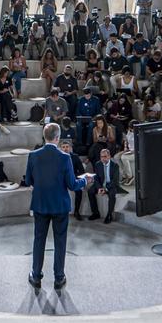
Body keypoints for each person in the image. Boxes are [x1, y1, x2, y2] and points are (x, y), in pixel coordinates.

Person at [25, 122, 91, 290]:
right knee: (60, 242)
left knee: (38, 240)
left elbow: (28, 181)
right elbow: (72, 184)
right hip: (60, 206)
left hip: (40, 204)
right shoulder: (64, 157)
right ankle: (59, 278)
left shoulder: (33, 155)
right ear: (57, 137)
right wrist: (85, 179)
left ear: (44, 136)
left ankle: (36, 275)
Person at [87, 148, 120, 223]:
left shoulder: (115, 166)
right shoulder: (98, 164)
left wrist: (106, 189)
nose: (103, 158)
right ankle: (95, 213)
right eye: (101, 157)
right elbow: (96, 178)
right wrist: (99, 188)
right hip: (101, 183)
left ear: (109, 156)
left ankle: (109, 215)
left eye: (105, 156)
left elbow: (115, 181)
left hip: (110, 184)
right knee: (90, 191)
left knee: (112, 194)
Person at [62, 138, 88, 220]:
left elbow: (82, 171)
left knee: (79, 191)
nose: (65, 149)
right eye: (63, 147)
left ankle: (76, 212)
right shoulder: (58, 157)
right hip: (61, 180)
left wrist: (74, 177)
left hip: (73, 179)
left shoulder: (75, 157)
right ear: (61, 148)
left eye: (67, 147)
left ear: (70, 148)